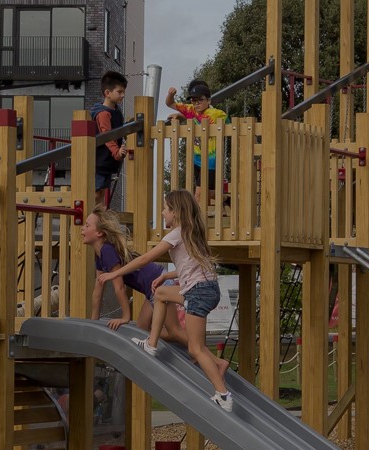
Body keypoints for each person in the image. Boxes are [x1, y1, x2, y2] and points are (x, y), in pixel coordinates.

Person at [98, 190, 234, 411]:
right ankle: (152, 344)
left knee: (195, 348)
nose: (162, 213)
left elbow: (144, 259)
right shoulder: (192, 233)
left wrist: (115, 273)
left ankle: (223, 394)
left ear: (175, 212)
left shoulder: (176, 234)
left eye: (165, 209)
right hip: (206, 289)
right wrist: (165, 275)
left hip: (198, 292)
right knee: (160, 294)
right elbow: (189, 268)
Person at [82, 209, 179, 341]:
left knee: (174, 331)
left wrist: (125, 317)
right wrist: (94, 323)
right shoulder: (100, 254)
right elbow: (98, 290)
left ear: (99, 232)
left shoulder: (107, 251)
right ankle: (192, 347)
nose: (82, 228)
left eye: (87, 226)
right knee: (142, 328)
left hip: (160, 283)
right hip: (152, 288)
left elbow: (119, 287)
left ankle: (198, 349)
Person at [165, 81, 229, 207]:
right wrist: (171, 95)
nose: (196, 103)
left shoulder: (216, 114)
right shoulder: (190, 110)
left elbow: (230, 124)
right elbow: (170, 103)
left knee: (198, 194)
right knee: (209, 192)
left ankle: (194, 223)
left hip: (211, 159)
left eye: (200, 100)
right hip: (197, 159)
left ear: (209, 101)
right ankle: (227, 199)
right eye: (194, 100)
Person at [91, 71, 131, 209]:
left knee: (101, 193)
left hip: (106, 162)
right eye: (119, 92)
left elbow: (117, 130)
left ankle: (100, 221)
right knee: (96, 193)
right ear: (107, 93)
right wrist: (116, 153)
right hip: (99, 160)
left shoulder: (116, 112)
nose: (123, 95)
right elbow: (107, 136)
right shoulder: (103, 114)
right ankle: (94, 220)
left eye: (123, 92)